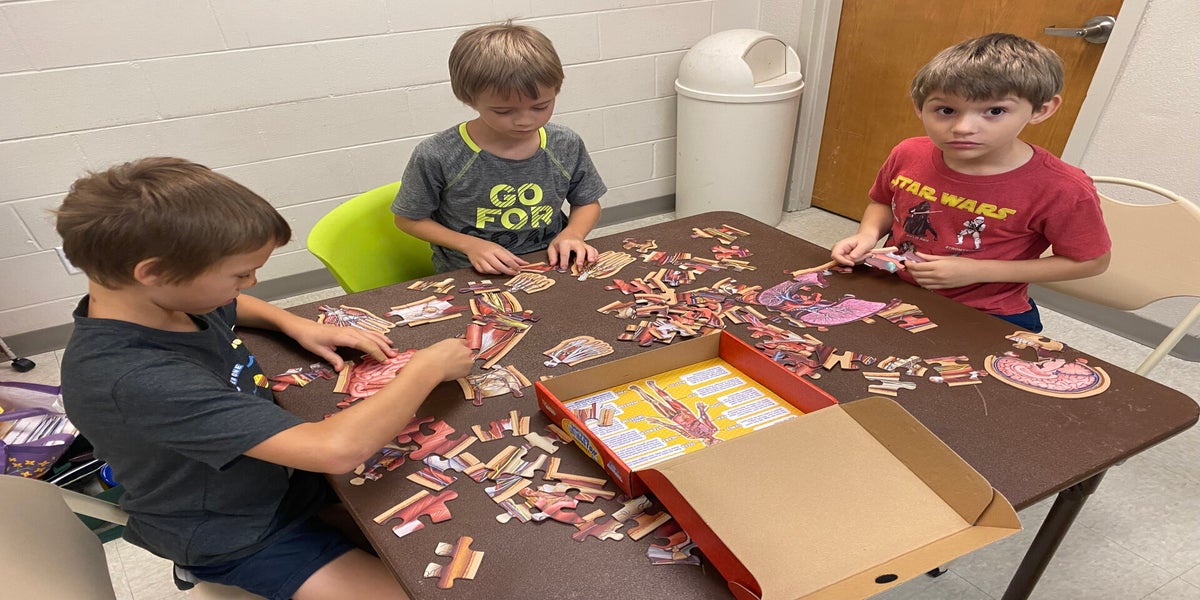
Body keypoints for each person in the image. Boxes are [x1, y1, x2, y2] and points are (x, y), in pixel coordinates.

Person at [55, 157, 475, 600]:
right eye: (239, 275)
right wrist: (425, 369)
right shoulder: (136, 378)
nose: (252, 283)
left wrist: (295, 324)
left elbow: (231, 305)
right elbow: (334, 450)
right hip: (240, 534)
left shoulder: (162, 302)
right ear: (153, 272)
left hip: (286, 479)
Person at [830, 33, 1111, 333]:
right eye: (946, 110)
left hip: (988, 311)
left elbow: (1091, 262)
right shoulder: (908, 152)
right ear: (919, 107)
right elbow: (883, 201)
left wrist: (977, 270)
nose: (963, 128)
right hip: (896, 287)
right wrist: (867, 234)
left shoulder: (1063, 188)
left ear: (1041, 110)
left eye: (995, 111)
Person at [392, 22, 606, 275]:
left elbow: (588, 202)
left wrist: (573, 234)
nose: (525, 120)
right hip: (470, 269)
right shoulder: (438, 154)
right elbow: (407, 219)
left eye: (541, 106)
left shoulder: (565, 143)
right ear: (469, 99)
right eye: (504, 111)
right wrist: (471, 245)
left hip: (551, 262)